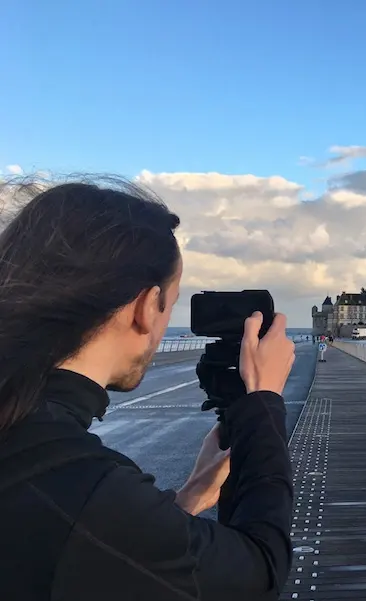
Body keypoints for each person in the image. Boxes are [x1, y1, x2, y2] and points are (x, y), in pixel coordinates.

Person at [0, 177, 296, 600]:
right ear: (145, 307)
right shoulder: (79, 480)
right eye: (169, 304)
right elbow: (258, 570)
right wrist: (263, 403)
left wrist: (184, 502)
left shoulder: (27, 438)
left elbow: (77, 547)